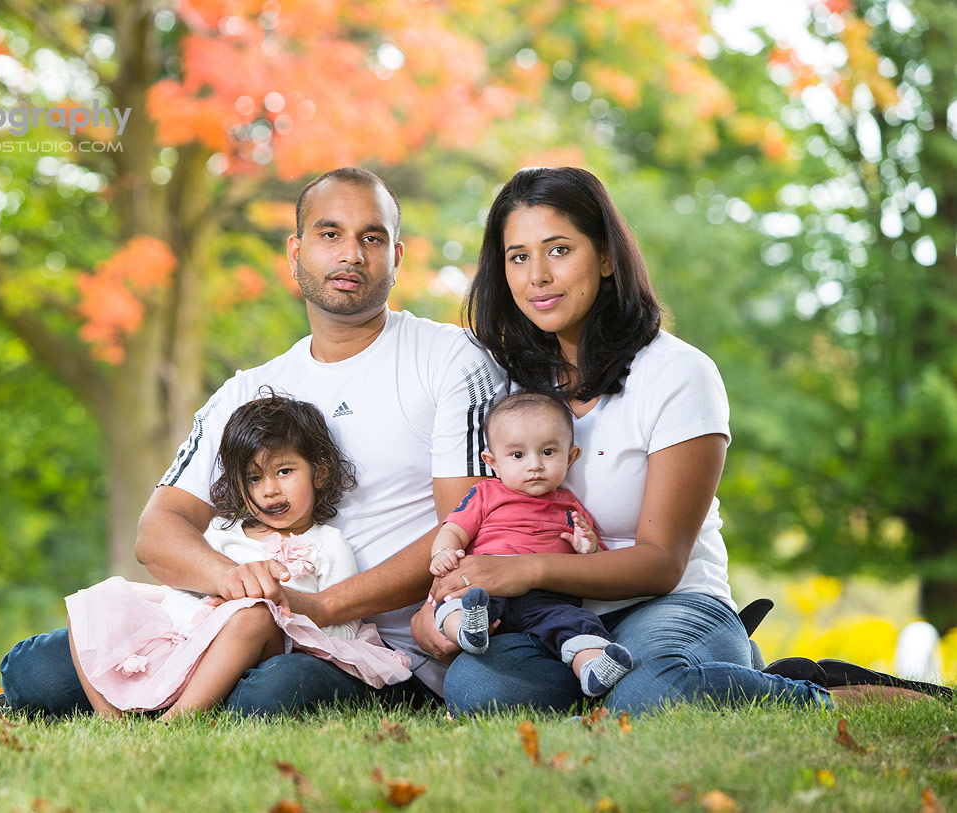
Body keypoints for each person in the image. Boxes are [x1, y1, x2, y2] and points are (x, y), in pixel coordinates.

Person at [0, 167, 505, 717]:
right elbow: (158, 530)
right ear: (295, 252)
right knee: (36, 671)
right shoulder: (247, 391)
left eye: (371, 238)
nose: (351, 254)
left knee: (274, 691)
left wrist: (321, 606)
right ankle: (189, 689)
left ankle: (181, 703)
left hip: (378, 647)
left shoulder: (452, 359)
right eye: (330, 234)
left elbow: (469, 526)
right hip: (229, 623)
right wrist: (230, 579)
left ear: (396, 257)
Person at [411, 166, 836, 715]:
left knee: (650, 691)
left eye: (558, 249)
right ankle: (613, 690)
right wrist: (434, 608)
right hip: (549, 616)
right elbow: (475, 523)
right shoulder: (510, 389)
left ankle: (804, 691)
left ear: (607, 257)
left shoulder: (677, 373)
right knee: (481, 688)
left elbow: (662, 563)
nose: (537, 275)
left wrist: (526, 570)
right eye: (518, 257)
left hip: (669, 603)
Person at [66, 393, 412, 719]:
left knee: (253, 615)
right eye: (253, 478)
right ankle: (111, 719)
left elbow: (344, 629)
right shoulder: (221, 532)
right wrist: (206, 611)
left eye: (284, 472)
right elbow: (182, 593)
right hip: (197, 635)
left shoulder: (328, 543)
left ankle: (178, 720)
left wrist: (281, 613)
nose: (269, 489)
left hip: (274, 644)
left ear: (318, 473)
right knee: (93, 602)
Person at [430, 390, 633, 697]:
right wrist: (443, 553)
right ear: (492, 462)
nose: (535, 465)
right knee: (457, 602)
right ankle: (469, 629)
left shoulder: (571, 507)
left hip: (548, 598)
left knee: (577, 624)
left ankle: (592, 667)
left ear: (571, 456)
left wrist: (587, 547)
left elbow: (596, 563)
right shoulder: (486, 493)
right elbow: (454, 529)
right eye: (517, 455)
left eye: (548, 452)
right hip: (489, 586)